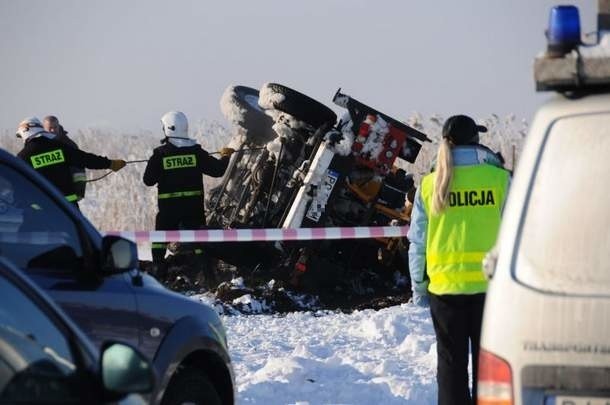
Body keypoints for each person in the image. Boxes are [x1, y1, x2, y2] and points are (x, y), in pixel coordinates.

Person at [407, 115, 510, 405]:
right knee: (489, 366)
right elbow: (518, 234)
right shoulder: (500, 179)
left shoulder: (429, 184)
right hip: (491, 289)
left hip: (444, 289)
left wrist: (419, 286)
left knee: (450, 367)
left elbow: (417, 241)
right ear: (477, 141)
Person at [143, 111, 234, 278]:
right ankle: (208, 277)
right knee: (200, 242)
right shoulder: (196, 152)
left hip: (168, 210)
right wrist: (226, 156)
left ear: (167, 129)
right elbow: (218, 170)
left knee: (159, 242)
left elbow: (148, 180)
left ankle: (159, 276)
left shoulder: (160, 154)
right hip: (193, 209)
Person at [15, 117, 126, 208]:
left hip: (41, 210)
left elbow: (16, 184)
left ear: (25, 133)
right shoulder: (59, 147)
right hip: (67, 208)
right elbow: (84, 158)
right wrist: (110, 164)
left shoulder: (23, 157)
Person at [43, 115, 87, 201]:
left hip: (67, 195)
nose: (53, 130)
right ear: (43, 128)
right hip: (46, 195)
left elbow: (79, 170)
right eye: (50, 128)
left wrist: (80, 191)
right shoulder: (38, 146)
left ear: (58, 127)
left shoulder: (69, 145)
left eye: (55, 127)